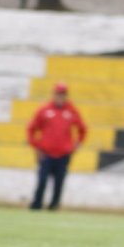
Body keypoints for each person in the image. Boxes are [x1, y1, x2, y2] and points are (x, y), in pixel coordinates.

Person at [26, 82, 87, 211]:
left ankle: (54, 205)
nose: (60, 97)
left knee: (59, 182)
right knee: (42, 180)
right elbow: (31, 129)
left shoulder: (71, 111)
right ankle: (37, 204)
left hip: (63, 154)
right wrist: (36, 147)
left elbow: (82, 129)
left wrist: (76, 144)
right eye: (58, 94)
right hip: (46, 153)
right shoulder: (44, 110)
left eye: (63, 94)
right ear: (54, 94)